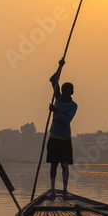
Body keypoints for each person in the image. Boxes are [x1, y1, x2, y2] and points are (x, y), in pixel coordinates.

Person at [47, 59, 77, 200]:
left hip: (65, 139)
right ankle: (52, 190)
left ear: (72, 92)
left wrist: (56, 111)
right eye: (63, 91)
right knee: (53, 165)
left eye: (67, 91)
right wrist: (60, 66)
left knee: (65, 165)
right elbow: (53, 80)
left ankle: (65, 191)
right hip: (54, 137)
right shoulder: (57, 98)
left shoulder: (73, 105)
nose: (64, 93)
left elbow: (66, 120)